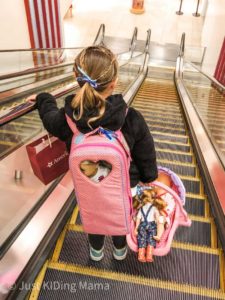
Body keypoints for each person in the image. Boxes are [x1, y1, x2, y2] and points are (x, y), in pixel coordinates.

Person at [29, 45, 158, 261]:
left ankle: (96, 252)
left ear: (75, 77)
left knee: (93, 213)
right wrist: (149, 177)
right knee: (121, 212)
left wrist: (44, 98)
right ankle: (119, 250)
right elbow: (146, 153)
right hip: (127, 182)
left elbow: (50, 120)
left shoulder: (68, 118)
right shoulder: (130, 117)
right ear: (114, 82)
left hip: (88, 182)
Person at [133, 189, 167, 262]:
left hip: (142, 225)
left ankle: (141, 255)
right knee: (151, 239)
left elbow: (138, 218)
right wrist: (162, 222)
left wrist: (136, 228)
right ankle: (149, 255)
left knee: (141, 238)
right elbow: (158, 219)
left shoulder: (141, 208)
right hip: (151, 224)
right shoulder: (154, 208)